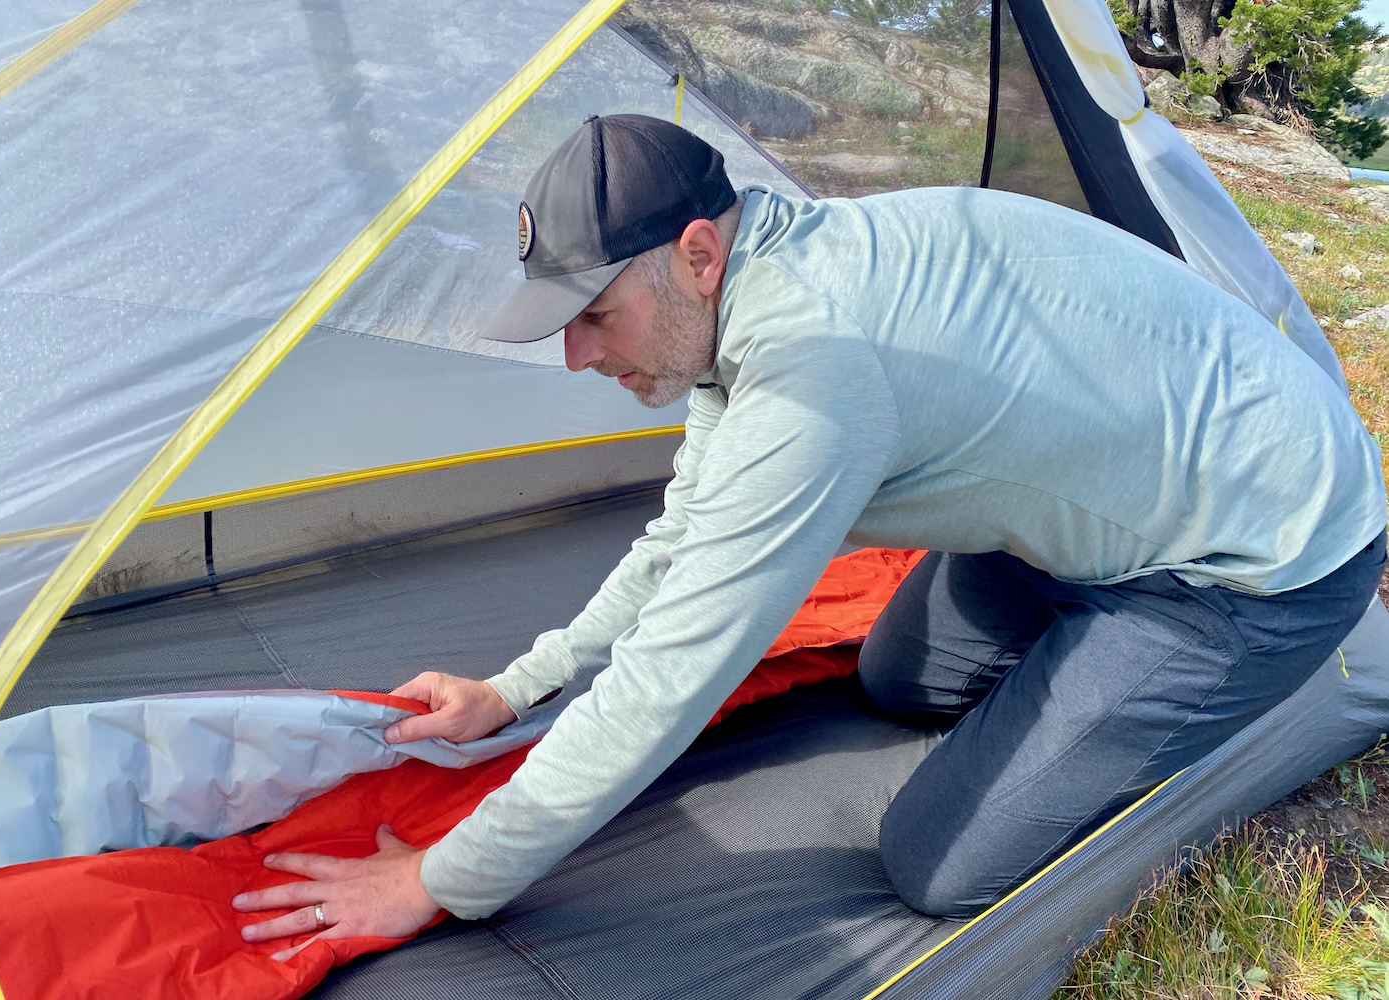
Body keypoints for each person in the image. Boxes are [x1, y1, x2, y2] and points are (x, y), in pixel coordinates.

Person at [232, 114, 1386, 952]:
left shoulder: (814, 374)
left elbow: (669, 678)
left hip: (1253, 564)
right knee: (897, 677)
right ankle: (1078, 626)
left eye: (592, 317)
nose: (577, 357)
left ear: (695, 252)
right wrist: (519, 687)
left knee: (938, 866)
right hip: (1105, 489)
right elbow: (691, 527)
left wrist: (440, 879)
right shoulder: (753, 282)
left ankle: (1192, 693)